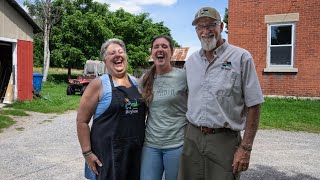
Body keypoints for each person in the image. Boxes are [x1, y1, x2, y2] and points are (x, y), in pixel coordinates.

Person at [178, 7, 264, 180]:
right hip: (192, 138)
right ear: (196, 31)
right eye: (200, 27)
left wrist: (245, 148)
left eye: (211, 25)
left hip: (224, 141)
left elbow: (254, 104)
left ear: (221, 26)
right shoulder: (191, 62)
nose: (206, 31)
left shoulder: (241, 58)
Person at [76, 38, 146, 180]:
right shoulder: (98, 84)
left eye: (121, 52)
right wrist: (87, 153)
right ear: (105, 61)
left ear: (125, 57)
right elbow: (81, 122)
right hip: (108, 157)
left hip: (135, 155)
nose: (117, 55)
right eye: (112, 53)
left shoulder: (136, 83)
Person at [140, 35, 188, 180]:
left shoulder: (184, 77)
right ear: (152, 52)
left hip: (177, 144)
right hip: (151, 145)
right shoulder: (144, 79)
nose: (160, 49)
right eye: (156, 47)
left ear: (172, 52)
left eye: (164, 46)